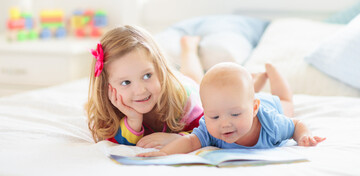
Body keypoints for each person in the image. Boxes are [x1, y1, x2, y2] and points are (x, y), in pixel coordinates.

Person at [138, 61, 326, 157]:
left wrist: (303, 136)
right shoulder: (210, 127)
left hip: (269, 104)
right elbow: (189, 142)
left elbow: (296, 124)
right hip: (243, 100)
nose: (225, 123)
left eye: (235, 115)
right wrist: (164, 154)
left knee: (286, 104)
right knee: (236, 97)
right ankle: (254, 84)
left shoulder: (271, 124)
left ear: (253, 109)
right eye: (214, 116)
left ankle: (271, 71)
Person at [86, 25, 203, 149]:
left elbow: (208, 129)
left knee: (194, 78)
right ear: (106, 87)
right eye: (126, 82)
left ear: (160, 69)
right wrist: (132, 121)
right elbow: (110, 140)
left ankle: (188, 49)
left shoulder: (185, 99)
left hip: (185, 86)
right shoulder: (109, 109)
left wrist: (178, 139)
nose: (140, 90)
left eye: (147, 75)